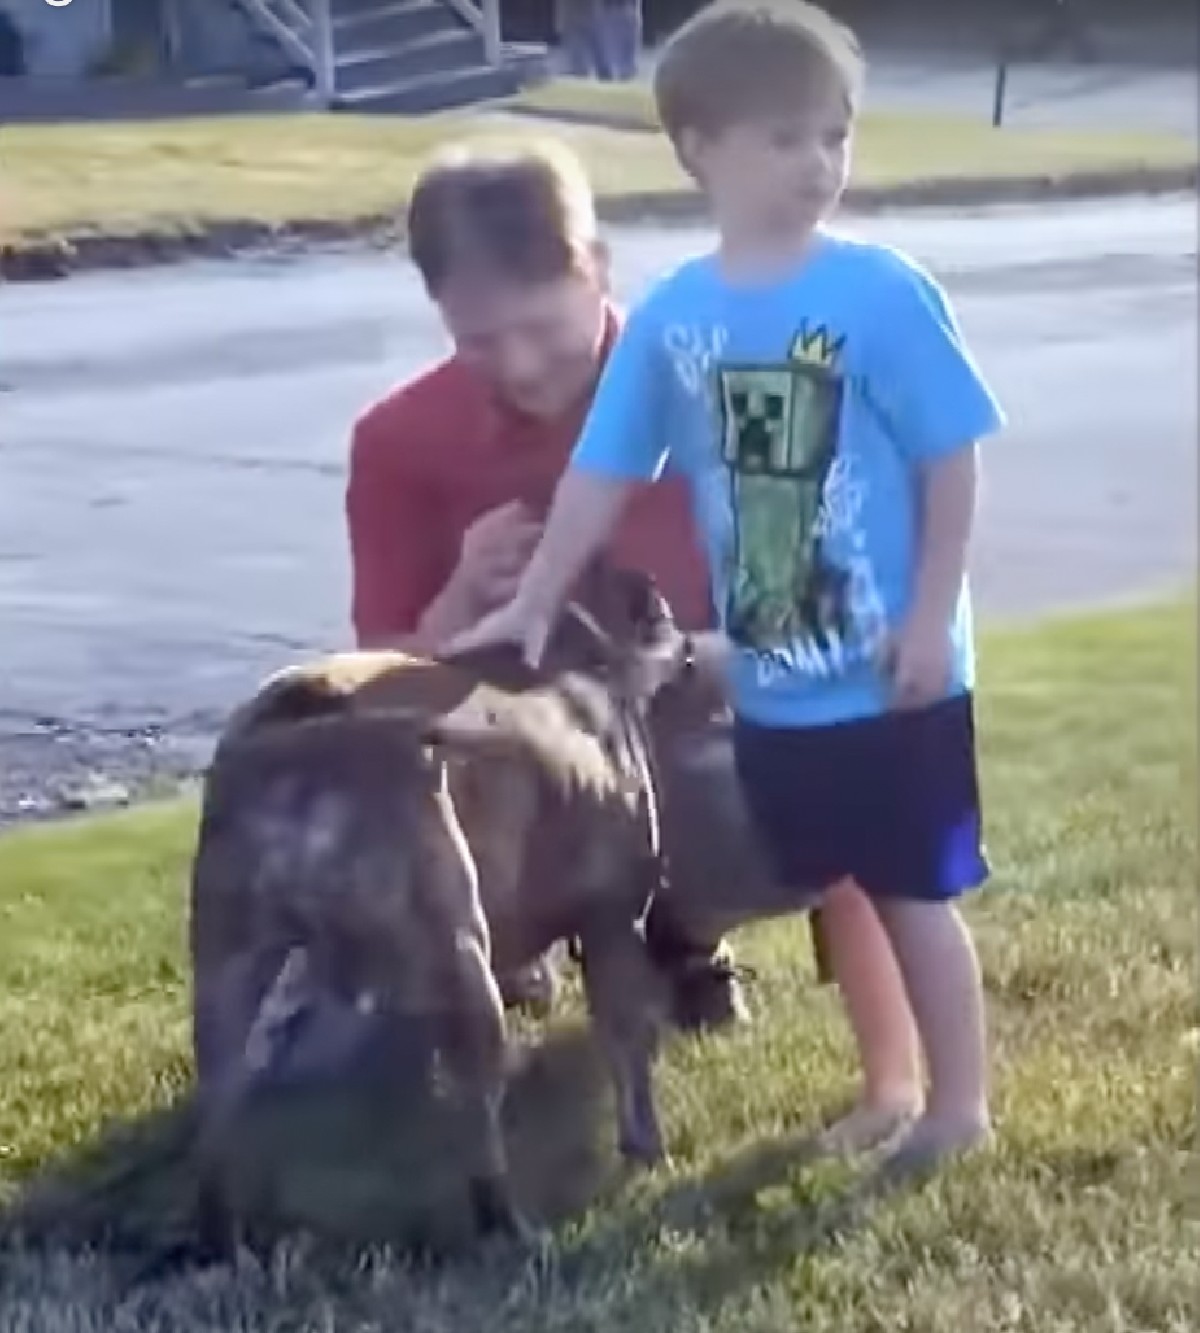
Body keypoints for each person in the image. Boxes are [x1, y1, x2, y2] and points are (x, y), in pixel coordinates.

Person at [448, 0, 1005, 1170]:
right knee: (841, 879)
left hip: (893, 676)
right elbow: (604, 467)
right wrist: (539, 595)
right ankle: (888, 1084)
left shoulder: (880, 295)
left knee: (909, 891)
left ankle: (956, 1104)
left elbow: (954, 462)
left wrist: (927, 619)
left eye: (835, 136)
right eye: (787, 138)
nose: (820, 164)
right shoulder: (677, 321)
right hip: (776, 681)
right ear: (700, 146)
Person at [345, 137, 749, 1031]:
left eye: (544, 327)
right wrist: (456, 603)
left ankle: (684, 932)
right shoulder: (397, 440)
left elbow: (802, 630)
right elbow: (373, 682)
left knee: (773, 796)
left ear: (598, 269)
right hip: (505, 757)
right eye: (480, 341)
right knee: (378, 796)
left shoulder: (717, 394)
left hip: (679, 729)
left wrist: (677, 659)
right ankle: (501, 941)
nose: (521, 366)